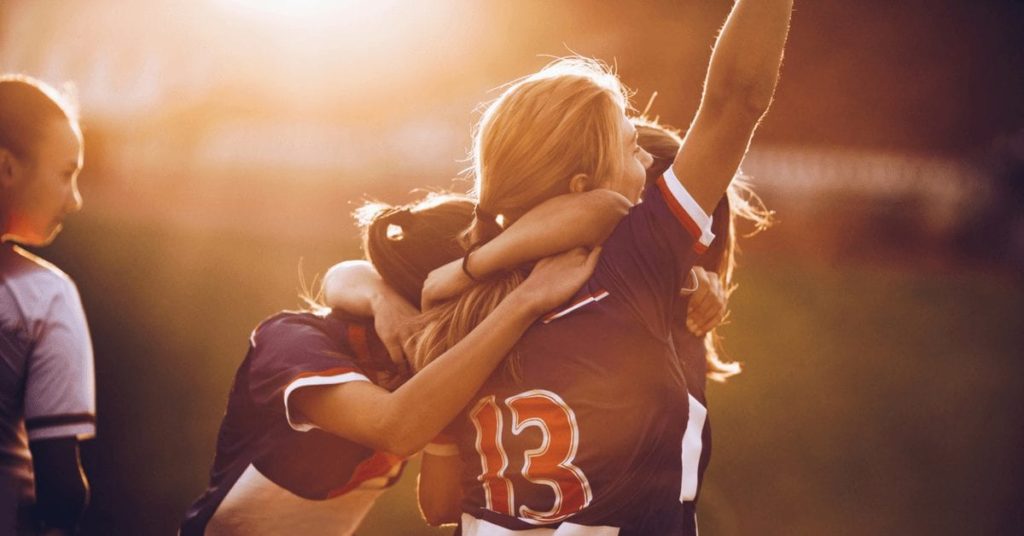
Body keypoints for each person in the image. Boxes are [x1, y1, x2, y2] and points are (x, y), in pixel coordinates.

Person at [404, 1, 793, 533]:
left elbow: (439, 504)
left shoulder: (458, 301)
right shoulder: (633, 266)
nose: (650, 165)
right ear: (584, 185)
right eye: (633, 150)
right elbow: (737, 98)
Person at [179, 194, 604, 536]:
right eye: (479, 309)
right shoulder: (292, 343)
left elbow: (440, 505)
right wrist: (523, 303)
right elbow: (395, 427)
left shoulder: (423, 364)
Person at [0, 74, 93, 535]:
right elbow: (62, 490)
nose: (74, 201)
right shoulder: (43, 298)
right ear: (6, 167)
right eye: (65, 174)